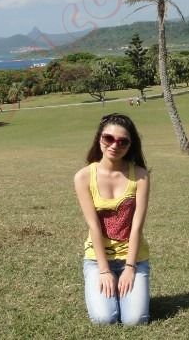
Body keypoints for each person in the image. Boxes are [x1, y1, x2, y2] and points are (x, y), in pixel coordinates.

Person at [74, 113, 151, 325]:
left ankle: (129, 294)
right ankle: (114, 292)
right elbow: (93, 226)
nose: (115, 145)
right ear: (99, 138)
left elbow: (137, 227)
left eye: (123, 141)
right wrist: (104, 270)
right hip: (97, 259)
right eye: (108, 138)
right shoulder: (83, 177)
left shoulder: (140, 176)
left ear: (130, 145)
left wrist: (130, 267)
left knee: (134, 321)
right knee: (103, 319)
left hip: (133, 258)